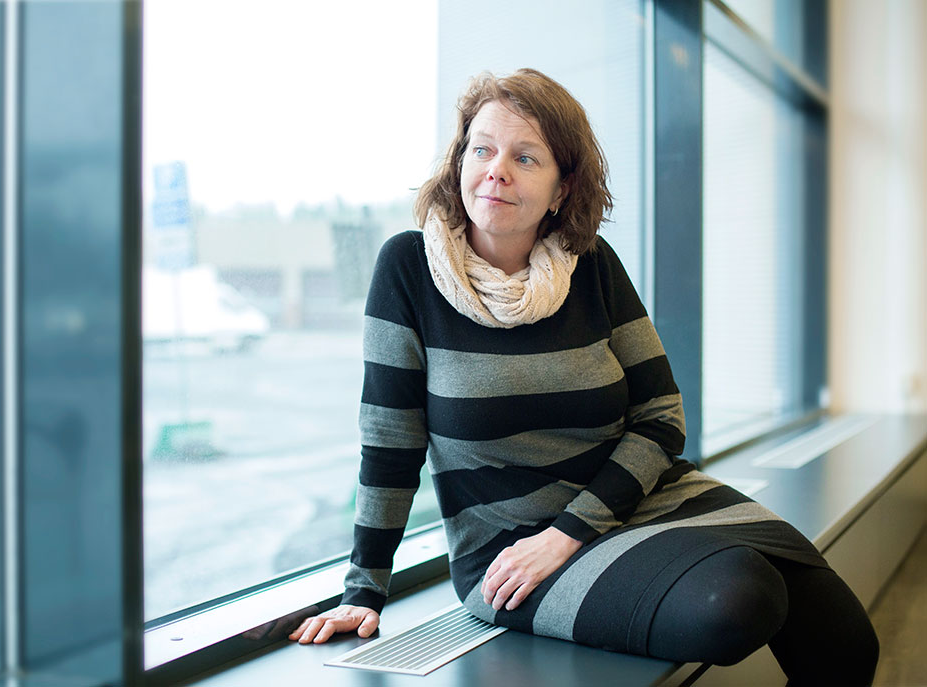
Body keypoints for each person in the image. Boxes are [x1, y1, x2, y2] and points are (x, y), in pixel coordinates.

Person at [289, 68, 878, 685]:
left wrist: (571, 531)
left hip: (638, 499)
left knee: (845, 644)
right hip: (511, 550)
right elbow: (391, 443)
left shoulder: (591, 265)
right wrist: (365, 589)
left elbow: (661, 417)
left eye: (525, 157)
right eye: (482, 149)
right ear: (459, 160)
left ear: (562, 189)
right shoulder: (408, 268)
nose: (497, 170)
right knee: (739, 601)